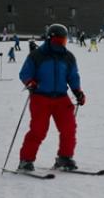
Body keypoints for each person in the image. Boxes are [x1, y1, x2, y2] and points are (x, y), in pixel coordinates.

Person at [16, 24, 85, 171]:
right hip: (40, 97)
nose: (62, 44)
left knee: (69, 128)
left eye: (64, 40)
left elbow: (73, 76)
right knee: (38, 130)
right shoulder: (37, 55)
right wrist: (30, 82)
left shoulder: (68, 57)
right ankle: (25, 160)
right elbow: (25, 73)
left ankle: (64, 158)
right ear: (50, 39)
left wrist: (78, 91)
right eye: (59, 41)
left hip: (61, 98)